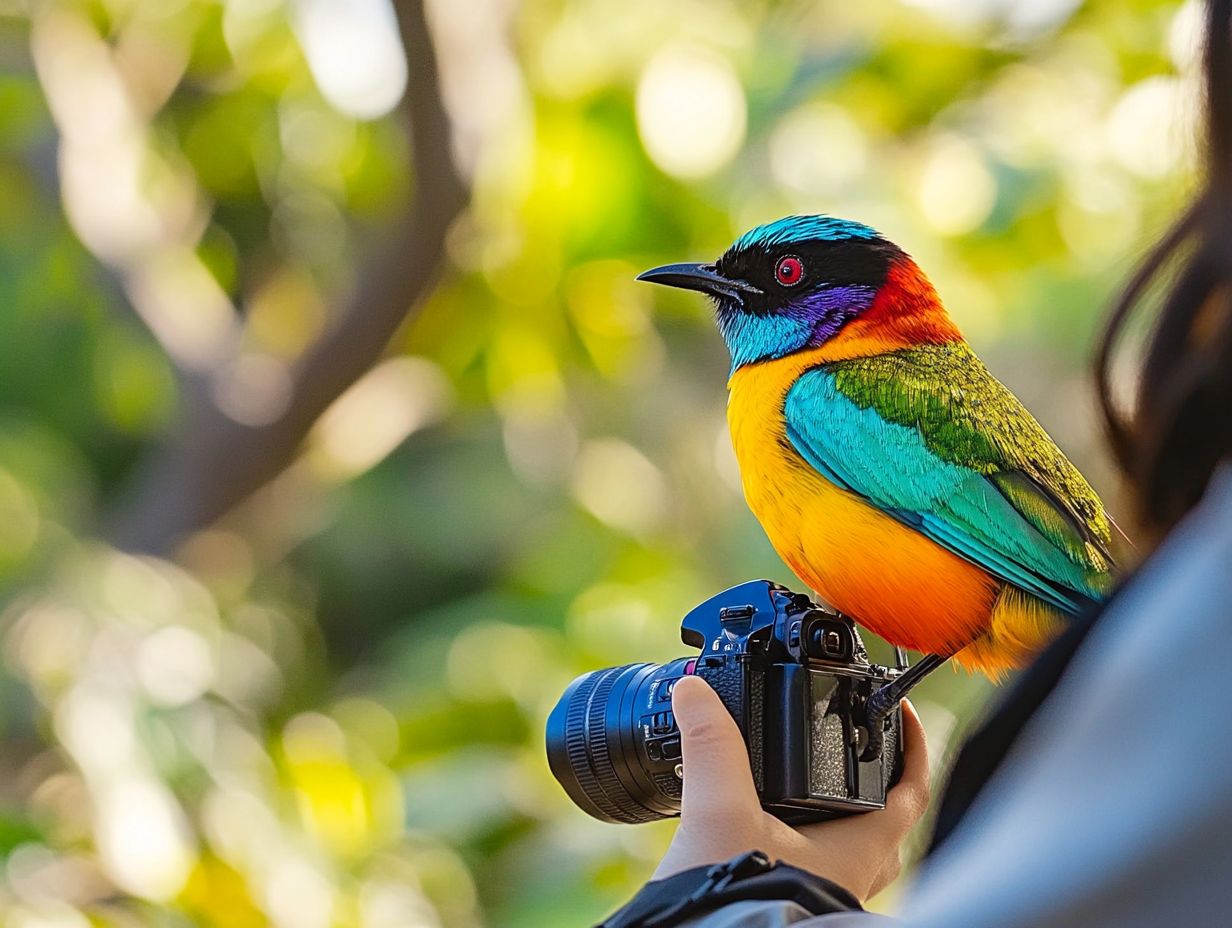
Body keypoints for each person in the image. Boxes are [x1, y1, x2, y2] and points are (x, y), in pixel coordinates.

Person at [599, 0, 1232, 925]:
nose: (740, 291)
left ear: (859, 297)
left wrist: (718, 888)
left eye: (782, 277)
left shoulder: (824, 391)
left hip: (1020, 592)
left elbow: (966, 566)